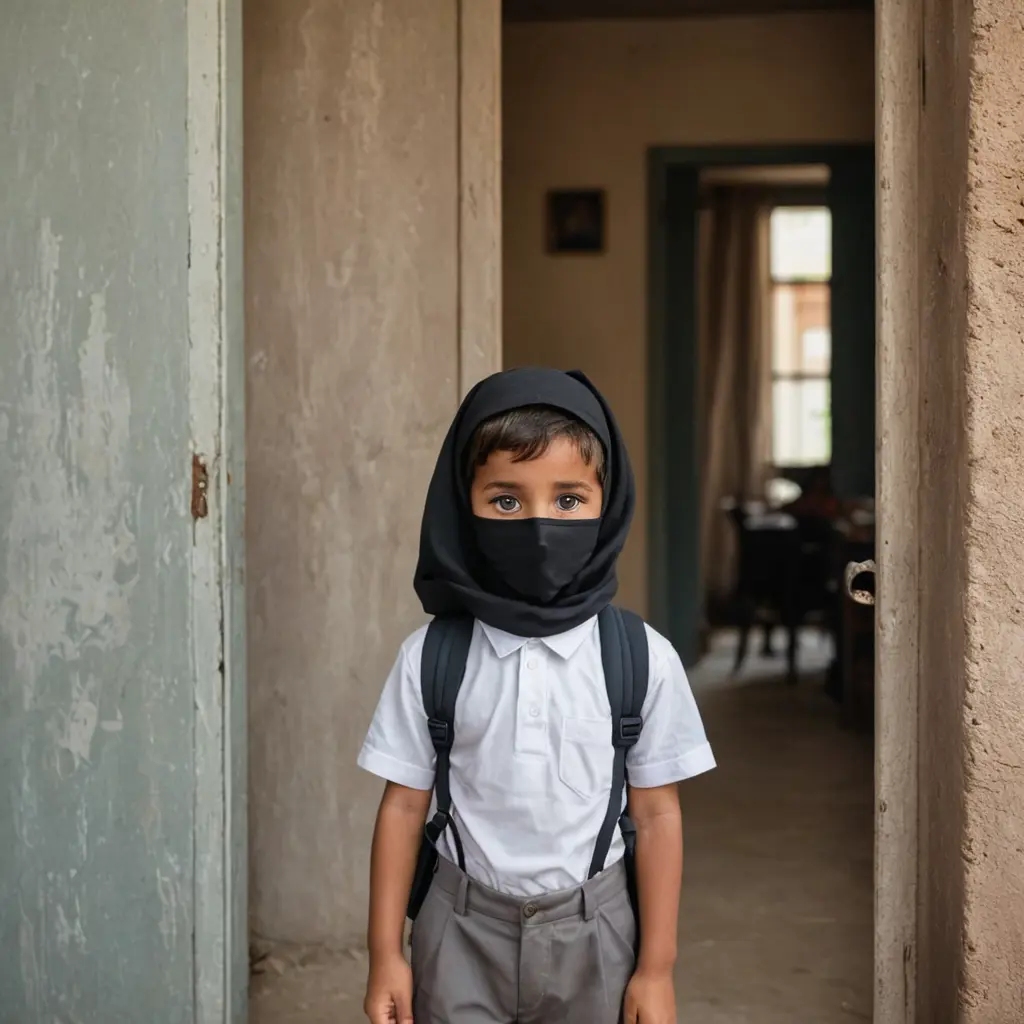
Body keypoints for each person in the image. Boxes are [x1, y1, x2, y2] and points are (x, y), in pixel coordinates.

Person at [358, 367, 715, 1024]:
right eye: (506, 502)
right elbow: (403, 808)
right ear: (462, 506)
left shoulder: (641, 659)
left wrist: (657, 969)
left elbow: (658, 815)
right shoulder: (432, 657)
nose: (540, 525)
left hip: (597, 932)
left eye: (569, 500)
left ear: (608, 505)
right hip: (457, 930)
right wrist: (385, 955)